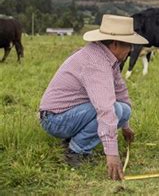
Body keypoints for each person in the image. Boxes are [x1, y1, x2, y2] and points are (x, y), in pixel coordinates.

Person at [38, 14, 148, 180]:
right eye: (129, 44)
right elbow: (105, 109)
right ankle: (75, 151)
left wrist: (125, 126)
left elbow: (120, 92)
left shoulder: (108, 58)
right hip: (55, 119)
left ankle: (74, 140)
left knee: (123, 109)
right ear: (115, 44)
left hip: (69, 114)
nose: (132, 49)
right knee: (114, 109)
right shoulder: (96, 63)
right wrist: (112, 154)